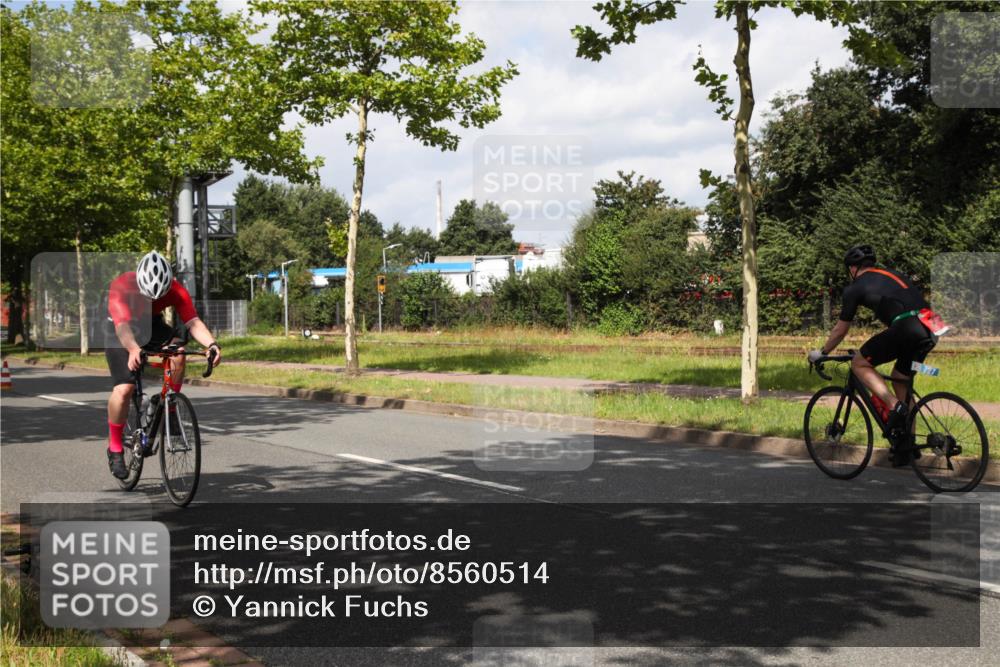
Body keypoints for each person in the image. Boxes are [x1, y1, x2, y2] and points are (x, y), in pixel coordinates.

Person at [808, 245, 942, 466]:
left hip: (908, 325)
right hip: (932, 324)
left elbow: (841, 330)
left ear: (852, 268)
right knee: (901, 379)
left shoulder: (855, 287)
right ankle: (906, 447)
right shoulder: (892, 274)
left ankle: (892, 406)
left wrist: (822, 353)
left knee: (859, 363)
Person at [104, 251, 221, 478]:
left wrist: (212, 344)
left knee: (177, 351)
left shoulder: (176, 289)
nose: (151, 299)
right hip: (120, 327)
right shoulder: (121, 286)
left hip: (152, 323)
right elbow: (122, 328)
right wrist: (133, 349)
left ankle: (170, 405)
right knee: (124, 388)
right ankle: (115, 448)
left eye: (157, 296)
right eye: (147, 295)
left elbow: (192, 322)